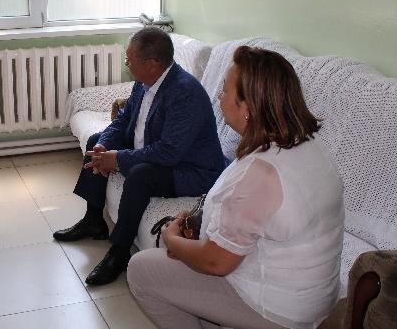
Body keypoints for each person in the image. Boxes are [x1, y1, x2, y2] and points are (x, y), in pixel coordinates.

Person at [127, 46, 345, 329]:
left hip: (278, 310)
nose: (220, 96)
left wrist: (172, 240)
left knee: (141, 270)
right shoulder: (310, 145)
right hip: (317, 296)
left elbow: (215, 263)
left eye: (226, 90)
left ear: (248, 108)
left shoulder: (259, 173)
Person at [53, 27, 225, 285]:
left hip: (190, 168)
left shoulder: (185, 93)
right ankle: (93, 220)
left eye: (129, 60)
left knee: (140, 175)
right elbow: (123, 119)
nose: (127, 64)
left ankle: (119, 253)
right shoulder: (144, 82)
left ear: (152, 63)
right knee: (95, 141)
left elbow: (169, 152)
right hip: (157, 148)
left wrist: (118, 159)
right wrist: (104, 146)